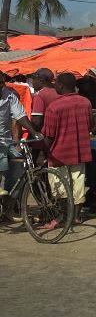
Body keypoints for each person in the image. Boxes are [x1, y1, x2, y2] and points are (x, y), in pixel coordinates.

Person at [39, 73, 93, 227]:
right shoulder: (85, 102)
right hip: (80, 151)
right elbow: (89, 125)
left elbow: (48, 135)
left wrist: (43, 152)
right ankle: (76, 217)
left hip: (58, 155)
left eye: (56, 83)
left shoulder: (54, 107)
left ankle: (62, 218)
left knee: (59, 188)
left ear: (61, 85)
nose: (54, 85)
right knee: (78, 185)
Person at [0, 73, 38, 216]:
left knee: (19, 165)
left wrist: (34, 132)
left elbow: (20, 116)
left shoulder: (9, 95)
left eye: (1, 85)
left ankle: (10, 203)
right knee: (2, 164)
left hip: (6, 140)